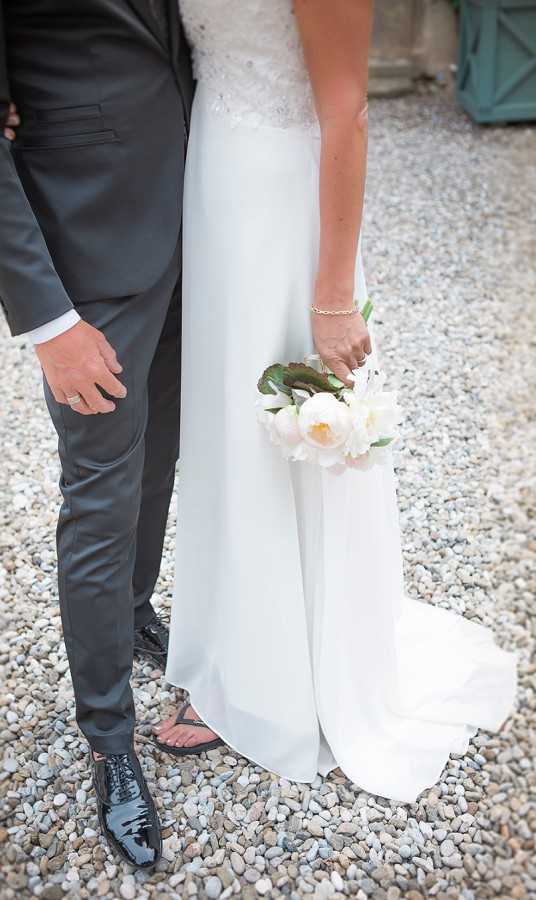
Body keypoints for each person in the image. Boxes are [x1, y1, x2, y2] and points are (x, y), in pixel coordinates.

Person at [153, 0, 517, 803]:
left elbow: (347, 112)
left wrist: (332, 294)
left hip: (286, 199)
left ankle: (288, 674)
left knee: (281, 419)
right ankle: (238, 644)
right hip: (213, 174)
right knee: (225, 425)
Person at [0, 0, 193, 868]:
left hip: (198, 230)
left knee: (158, 464)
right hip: (90, 258)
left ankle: (129, 610)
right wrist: (49, 322)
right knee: (101, 495)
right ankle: (109, 740)